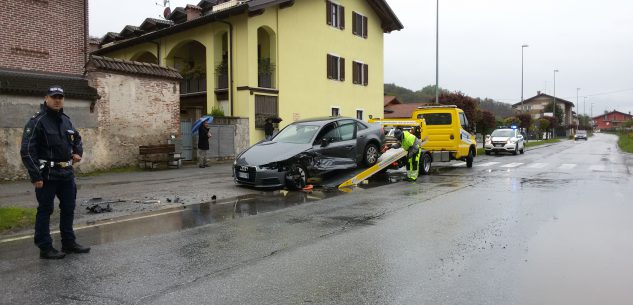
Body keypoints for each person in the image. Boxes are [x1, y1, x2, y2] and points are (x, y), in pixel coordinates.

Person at [20, 85, 90, 259]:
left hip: (66, 174)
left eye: (60, 97)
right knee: (45, 210)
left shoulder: (67, 120)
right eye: (54, 97)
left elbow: (77, 139)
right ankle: (45, 247)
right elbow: (27, 150)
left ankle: (68, 242)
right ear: (46, 98)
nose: (57, 100)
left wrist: (77, 152)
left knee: (68, 208)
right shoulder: (37, 121)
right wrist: (36, 175)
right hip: (47, 176)